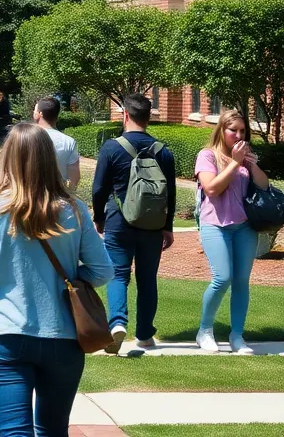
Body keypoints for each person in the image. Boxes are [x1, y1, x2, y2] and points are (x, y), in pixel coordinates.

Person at [0, 123, 113, 437]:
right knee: (53, 430)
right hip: (63, 335)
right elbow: (102, 271)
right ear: (49, 158)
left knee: (15, 431)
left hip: (6, 334)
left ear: (8, 157)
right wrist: (69, 279)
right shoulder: (74, 210)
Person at [92, 93, 176, 352]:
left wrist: (99, 218)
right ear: (148, 118)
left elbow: (99, 189)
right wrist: (168, 227)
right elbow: (171, 193)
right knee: (147, 278)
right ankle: (145, 334)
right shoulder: (163, 151)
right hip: (153, 225)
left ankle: (117, 322)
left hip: (118, 222)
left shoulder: (111, 148)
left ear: (125, 115)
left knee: (119, 274)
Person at [194, 110, 269, 354]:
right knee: (222, 278)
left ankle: (237, 336)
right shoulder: (207, 156)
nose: (238, 135)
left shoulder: (244, 158)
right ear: (221, 130)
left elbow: (264, 185)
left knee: (241, 281)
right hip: (215, 225)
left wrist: (250, 163)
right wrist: (235, 163)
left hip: (244, 226)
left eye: (242, 131)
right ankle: (205, 330)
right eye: (233, 130)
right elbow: (212, 189)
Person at [33, 97, 80, 191]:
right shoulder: (69, 142)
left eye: (35, 110)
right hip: (57, 193)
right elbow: (74, 178)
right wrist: (69, 195)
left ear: (40, 114)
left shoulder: (26, 138)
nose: (33, 112)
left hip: (29, 193)